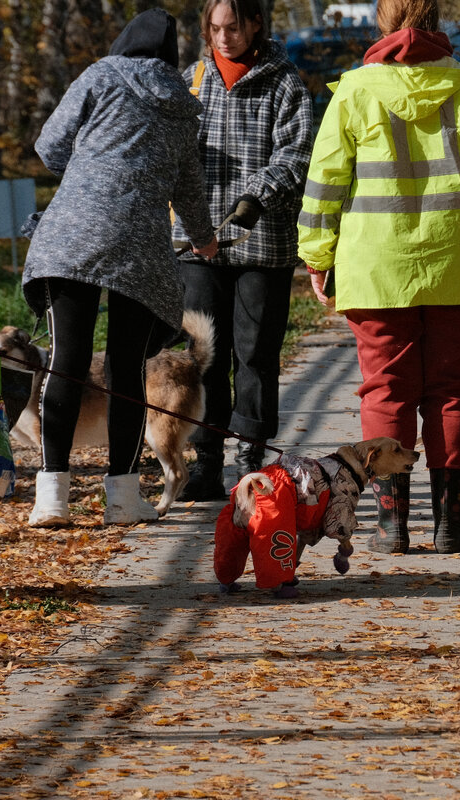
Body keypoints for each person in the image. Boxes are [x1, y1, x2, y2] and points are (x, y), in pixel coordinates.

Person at [297, 0, 460, 554]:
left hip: (377, 267)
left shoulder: (353, 91)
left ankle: (389, 527)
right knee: (452, 392)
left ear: (383, 20)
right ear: (436, 19)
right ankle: (449, 526)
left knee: (386, 391)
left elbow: (324, 184)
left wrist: (317, 256)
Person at [22, 9, 218, 527]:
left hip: (71, 236)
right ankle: (124, 498)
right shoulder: (183, 106)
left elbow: (48, 145)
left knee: (67, 358)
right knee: (127, 368)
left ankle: (51, 498)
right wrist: (204, 240)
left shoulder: (99, 75)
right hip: (140, 246)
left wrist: (91, 169)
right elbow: (190, 189)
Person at [173, 0, 314, 501]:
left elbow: (297, 154)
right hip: (195, 242)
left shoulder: (285, 82)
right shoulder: (188, 79)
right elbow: (169, 147)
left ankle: (249, 460)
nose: (224, 37)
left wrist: (257, 198)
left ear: (255, 24)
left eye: (233, 27)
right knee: (203, 357)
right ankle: (206, 463)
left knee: (255, 355)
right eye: (215, 28)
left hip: (263, 244)